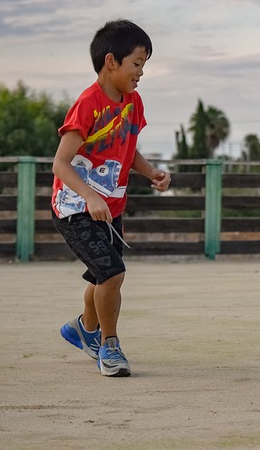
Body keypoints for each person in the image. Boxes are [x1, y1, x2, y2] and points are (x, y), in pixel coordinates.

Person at [51, 20, 171, 377]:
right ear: (111, 61)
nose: (141, 73)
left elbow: (127, 149)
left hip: (110, 206)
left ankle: (81, 329)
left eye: (144, 66)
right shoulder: (88, 104)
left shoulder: (133, 104)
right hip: (75, 207)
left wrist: (151, 172)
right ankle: (109, 345)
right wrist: (88, 196)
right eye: (137, 64)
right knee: (112, 272)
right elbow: (60, 163)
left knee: (102, 276)